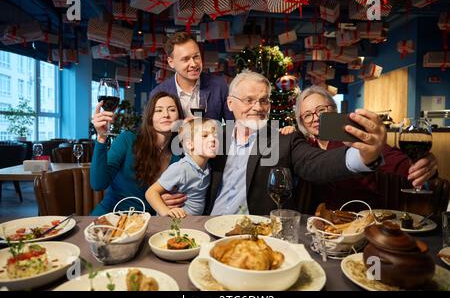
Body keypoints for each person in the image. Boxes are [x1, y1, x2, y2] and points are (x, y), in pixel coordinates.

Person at [162, 70, 389, 216]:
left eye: (263, 101)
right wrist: (171, 193)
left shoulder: (284, 138)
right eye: (249, 100)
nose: (258, 107)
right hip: (209, 226)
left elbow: (316, 164)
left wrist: (363, 156)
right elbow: (187, 167)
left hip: (261, 233)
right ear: (230, 103)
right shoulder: (213, 137)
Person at [295, 85, 438, 210]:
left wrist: (420, 164)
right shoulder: (306, 147)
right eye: (307, 115)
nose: (315, 118)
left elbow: (391, 158)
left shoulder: (353, 137)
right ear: (302, 122)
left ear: (334, 110)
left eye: (321, 110)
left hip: (363, 216)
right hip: (323, 222)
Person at [90, 91, 185, 215]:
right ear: (150, 117)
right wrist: (101, 138)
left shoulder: (180, 154)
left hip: (148, 223)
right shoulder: (127, 140)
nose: (166, 115)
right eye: (158, 110)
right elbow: (98, 184)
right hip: (111, 215)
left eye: (172, 110)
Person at [150, 31, 234, 121]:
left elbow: (231, 123)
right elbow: (154, 131)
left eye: (196, 57)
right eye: (185, 59)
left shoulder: (219, 86)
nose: (193, 64)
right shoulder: (158, 94)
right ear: (171, 62)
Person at [146, 118, 219, 218]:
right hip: (173, 224)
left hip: (192, 223)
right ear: (190, 144)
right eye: (205, 135)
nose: (213, 139)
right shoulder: (181, 168)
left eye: (215, 136)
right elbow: (151, 192)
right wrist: (166, 212)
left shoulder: (208, 167)